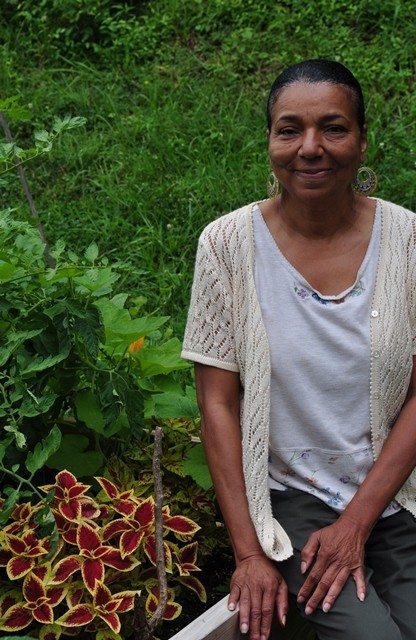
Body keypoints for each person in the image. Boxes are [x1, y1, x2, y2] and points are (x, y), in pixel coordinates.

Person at [181, 58, 416, 640]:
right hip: (291, 501)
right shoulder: (228, 245)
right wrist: (249, 554)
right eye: (290, 129)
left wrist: (357, 524)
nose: (311, 147)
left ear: (363, 142)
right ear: (270, 142)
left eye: (334, 128)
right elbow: (218, 406)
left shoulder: (409, 242)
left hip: (393, 493)